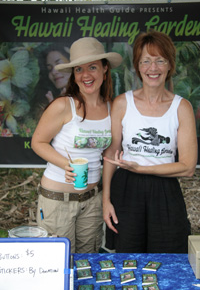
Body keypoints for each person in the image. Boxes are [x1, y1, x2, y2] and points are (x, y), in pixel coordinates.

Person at [103, 30, 197, 253]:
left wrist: (141, 168)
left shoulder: (182, 108)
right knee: (127, 260)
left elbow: (187, 167)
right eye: (146, 61)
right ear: (137, 66)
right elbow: (111, 154)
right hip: (125, 191)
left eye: (159, 61)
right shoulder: (122, 103)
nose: (152, 68)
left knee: (168, 258)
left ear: (169, 65)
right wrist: (105, 200)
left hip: (165, 190)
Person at [31, 37, 122, 253]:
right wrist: (66, 164)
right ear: (74, 73)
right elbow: (38, 142)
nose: (86, 75)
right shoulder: (64, 105)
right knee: (57, 265)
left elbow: (109, 156)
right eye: (79, 69)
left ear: (105, 68)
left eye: (92, 67)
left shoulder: (112, 108)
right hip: (57, 201)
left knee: (86, 265)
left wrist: (105, 198)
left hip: (91, 200)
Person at [32, 44, 70, 120]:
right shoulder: (45, 100)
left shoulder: (91, 94)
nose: (53, 72)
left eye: (59, 65)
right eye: (49, 69)